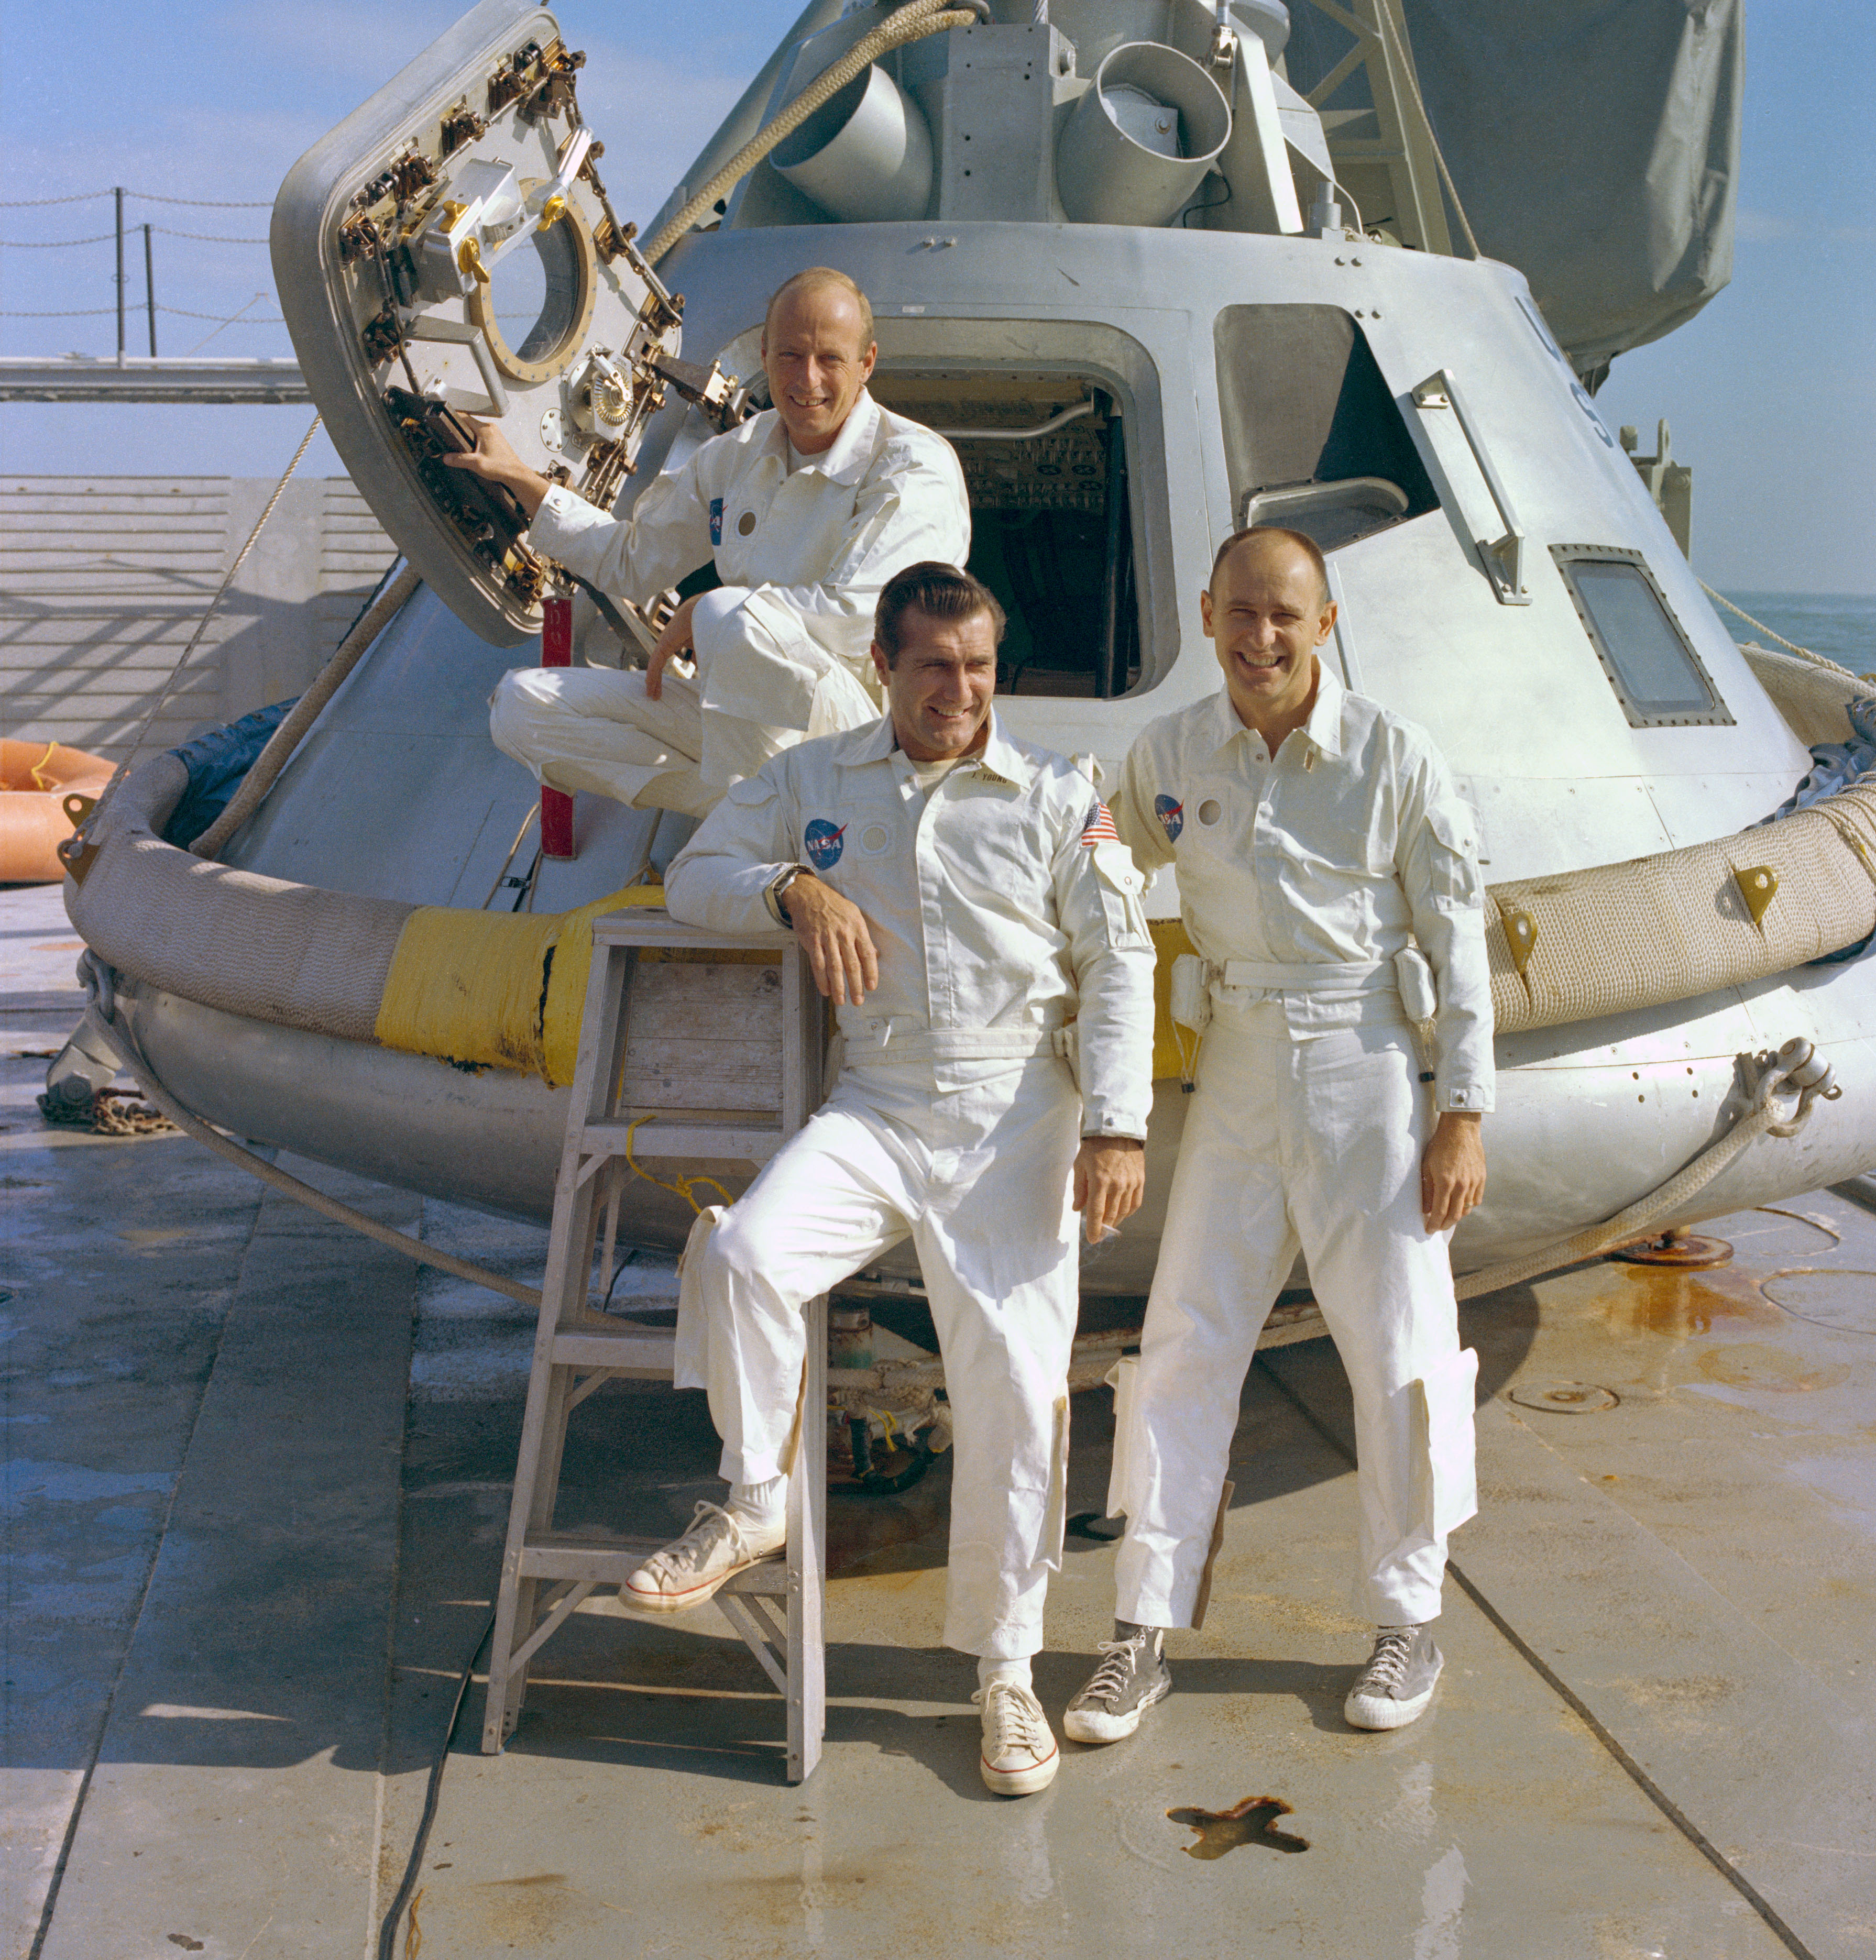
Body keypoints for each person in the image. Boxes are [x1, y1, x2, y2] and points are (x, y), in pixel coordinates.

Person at [630, 561, 1156, 1798]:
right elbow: (692, 872)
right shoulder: (816, 782)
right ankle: (754, 1493)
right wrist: (794, 886)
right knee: (751, 1254)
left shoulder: (1052, 794)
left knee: (1018, 1399)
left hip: (1018, 1112)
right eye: (934, 667)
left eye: (977, 666)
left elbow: (1118, 956)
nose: (961, 691)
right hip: (876, 1102)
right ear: (884, 665)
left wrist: (1116, 1126)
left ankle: (1006, 1673)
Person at [1064, 525, 1492, 1747]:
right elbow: (1098, 847)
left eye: (1285, 617)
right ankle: (1140, 1628)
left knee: (1399, 1351)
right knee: (1185, 1341)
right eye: (1241, 614)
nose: (1261, 639)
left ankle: (1408, 1618)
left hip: (1365, 1069)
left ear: (1326, 622)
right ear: (1207, 616)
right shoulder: (1171, 752)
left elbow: (1458, 941)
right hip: (1240, 1067)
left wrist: (1462, 1111)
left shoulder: (1394, 760)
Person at [446, 267, 971, 815]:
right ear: (764, 354)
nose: (806, 379)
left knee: (727, 616)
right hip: (742, 711)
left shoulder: (913, 463)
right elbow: (633, 561)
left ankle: (793, 821)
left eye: (830, 359)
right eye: (789, 355)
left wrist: (707, 613)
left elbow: (864, 616)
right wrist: (520, 479)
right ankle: (761, 814)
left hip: (863, 729)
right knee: (520, 707)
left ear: (866, 364)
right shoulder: (737, 455)